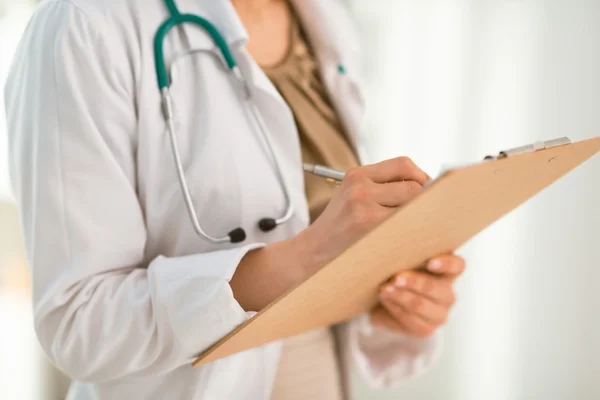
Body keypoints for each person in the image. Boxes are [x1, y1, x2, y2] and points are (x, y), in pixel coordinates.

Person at [4, 0, 466, 399]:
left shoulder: (323, 18)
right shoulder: (83, 25)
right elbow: (80, 324)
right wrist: (307, 255)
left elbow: (324, 259)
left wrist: (393, 298)